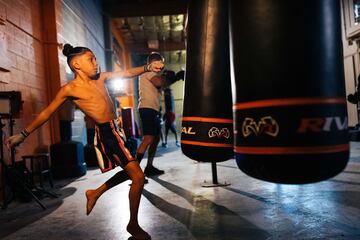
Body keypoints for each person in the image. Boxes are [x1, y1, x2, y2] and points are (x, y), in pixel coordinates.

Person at [5, 44, 164, 240]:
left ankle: (95, 192)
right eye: (91, 59)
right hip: (107, 134)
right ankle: (132, 225)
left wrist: (148, 68)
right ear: (76, 65)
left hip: (117, 130)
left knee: (132, 171)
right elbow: (47, 112)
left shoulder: (101, 78)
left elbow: (126, 72)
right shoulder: (70, 89)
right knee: (138, 177)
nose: (96, 63)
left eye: (95, 58)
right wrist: (22, 134)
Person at [136, 52, 167, 177]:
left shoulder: (153, 74)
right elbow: (159, 82)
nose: (161, 66)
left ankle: (149, 166)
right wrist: (167, 76)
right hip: (147, 109)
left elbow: (161, 85)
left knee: (156, 138)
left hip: (152, 109)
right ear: (154, 62)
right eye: (160, 63)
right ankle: (134, 172)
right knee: (148, 138)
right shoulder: (148, 71)